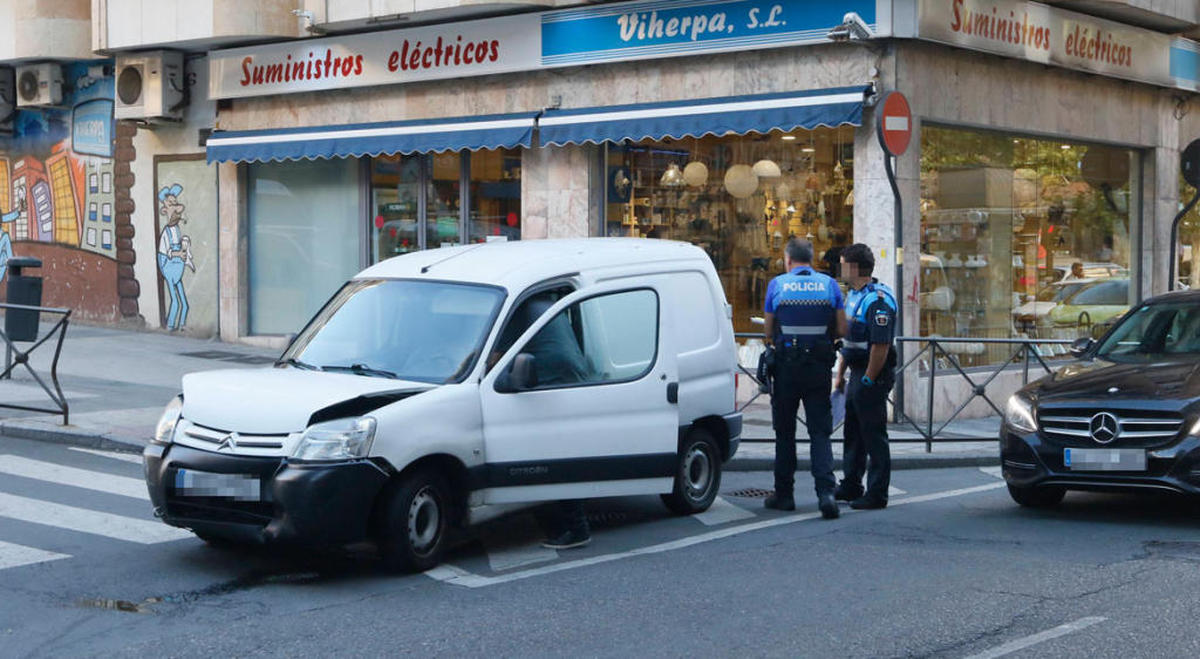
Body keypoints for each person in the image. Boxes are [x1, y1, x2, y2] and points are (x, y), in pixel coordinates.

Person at [762, 237, 847, 519]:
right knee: (819, 432)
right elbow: (842, 329)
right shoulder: (829, 285)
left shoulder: (778, 285)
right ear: (811, 260)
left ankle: (784, 495)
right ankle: (826, 494)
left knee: (784, 433)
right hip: (818, 367)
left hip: (787, 367)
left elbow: (768, 332)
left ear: (788, 260)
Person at [833, 244, 898, 510]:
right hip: (858, 372)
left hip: (873, 374)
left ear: (856, 268)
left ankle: (877, 493)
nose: (840, 269)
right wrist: (841, 374)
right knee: (853, 433)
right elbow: (851, 342)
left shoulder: (877, 300)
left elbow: (879, 347)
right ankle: (851, 484)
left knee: (873, 435)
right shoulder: (855, 296)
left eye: (843, 264)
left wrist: (869, 380)